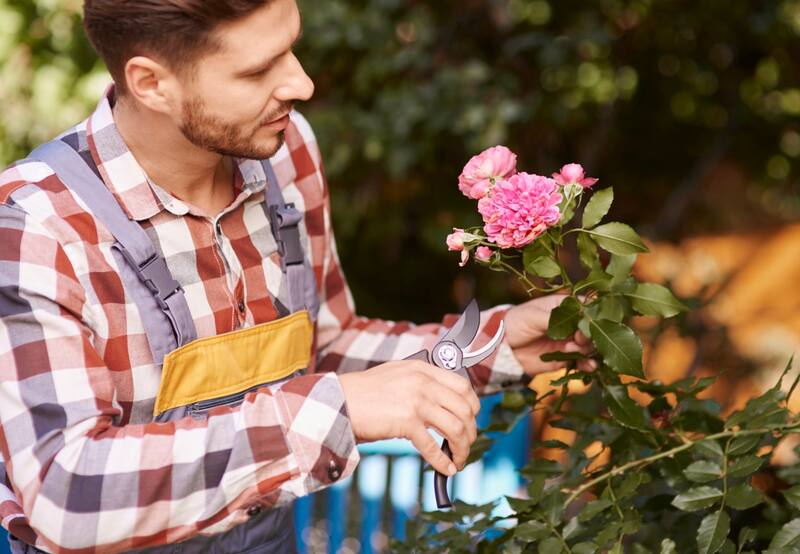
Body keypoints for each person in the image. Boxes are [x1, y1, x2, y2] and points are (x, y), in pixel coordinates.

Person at [0, 1, 590, 552]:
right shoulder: (38, 224)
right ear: (152, 83)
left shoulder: (284, 153)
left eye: (292, 48)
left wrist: (490, 348)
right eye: (258, 70)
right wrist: (335, 410)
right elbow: (65, 493)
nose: (302, 84)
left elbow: (322, 346)